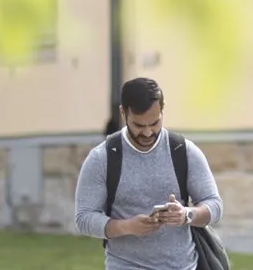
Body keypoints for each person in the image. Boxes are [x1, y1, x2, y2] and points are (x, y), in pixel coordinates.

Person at [74, 78, 226, 270]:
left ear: (163, 110)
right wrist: (127, 226)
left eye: (155, 123)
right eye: (138, 125)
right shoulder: (102, 158)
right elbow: (84, 218)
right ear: (123, 112)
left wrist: (186, 215)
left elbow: (214, 204)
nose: (147, 133)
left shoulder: (184, 151)